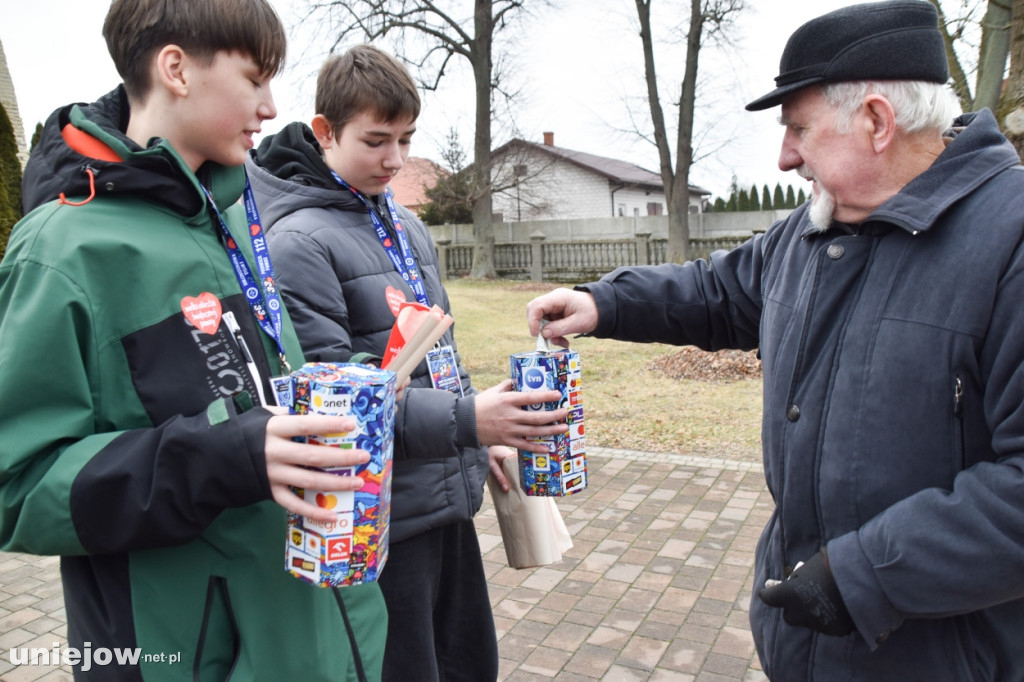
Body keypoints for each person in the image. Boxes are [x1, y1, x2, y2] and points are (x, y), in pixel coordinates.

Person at [526, 1, 1024, 679]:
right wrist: (602, 302)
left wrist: (859, 578)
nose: (785, 156)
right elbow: (719, 292)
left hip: (941, 655)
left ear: (877, 121)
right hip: (804, 639)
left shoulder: (1010, 240)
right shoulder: (816, 230)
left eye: (799, 129)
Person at [0, 1, 389, 679]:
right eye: (254, 78)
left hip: (316, 633)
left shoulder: (235, 215)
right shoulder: (61, 252)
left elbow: (254, 390)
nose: (272, 108)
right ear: (176, 69)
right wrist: (225, 459)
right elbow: (19, 486)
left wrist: (353, 383)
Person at [244, 44, 567, 681]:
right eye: (375, 140)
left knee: (469, 664)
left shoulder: (403, 223)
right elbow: (338, 409)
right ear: (324, 132)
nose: (395, 159)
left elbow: (440, 355)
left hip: (445, 500)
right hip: (379, 523)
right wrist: (471, 420)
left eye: (406, 138)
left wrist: (486, 442)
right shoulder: (297, 243)